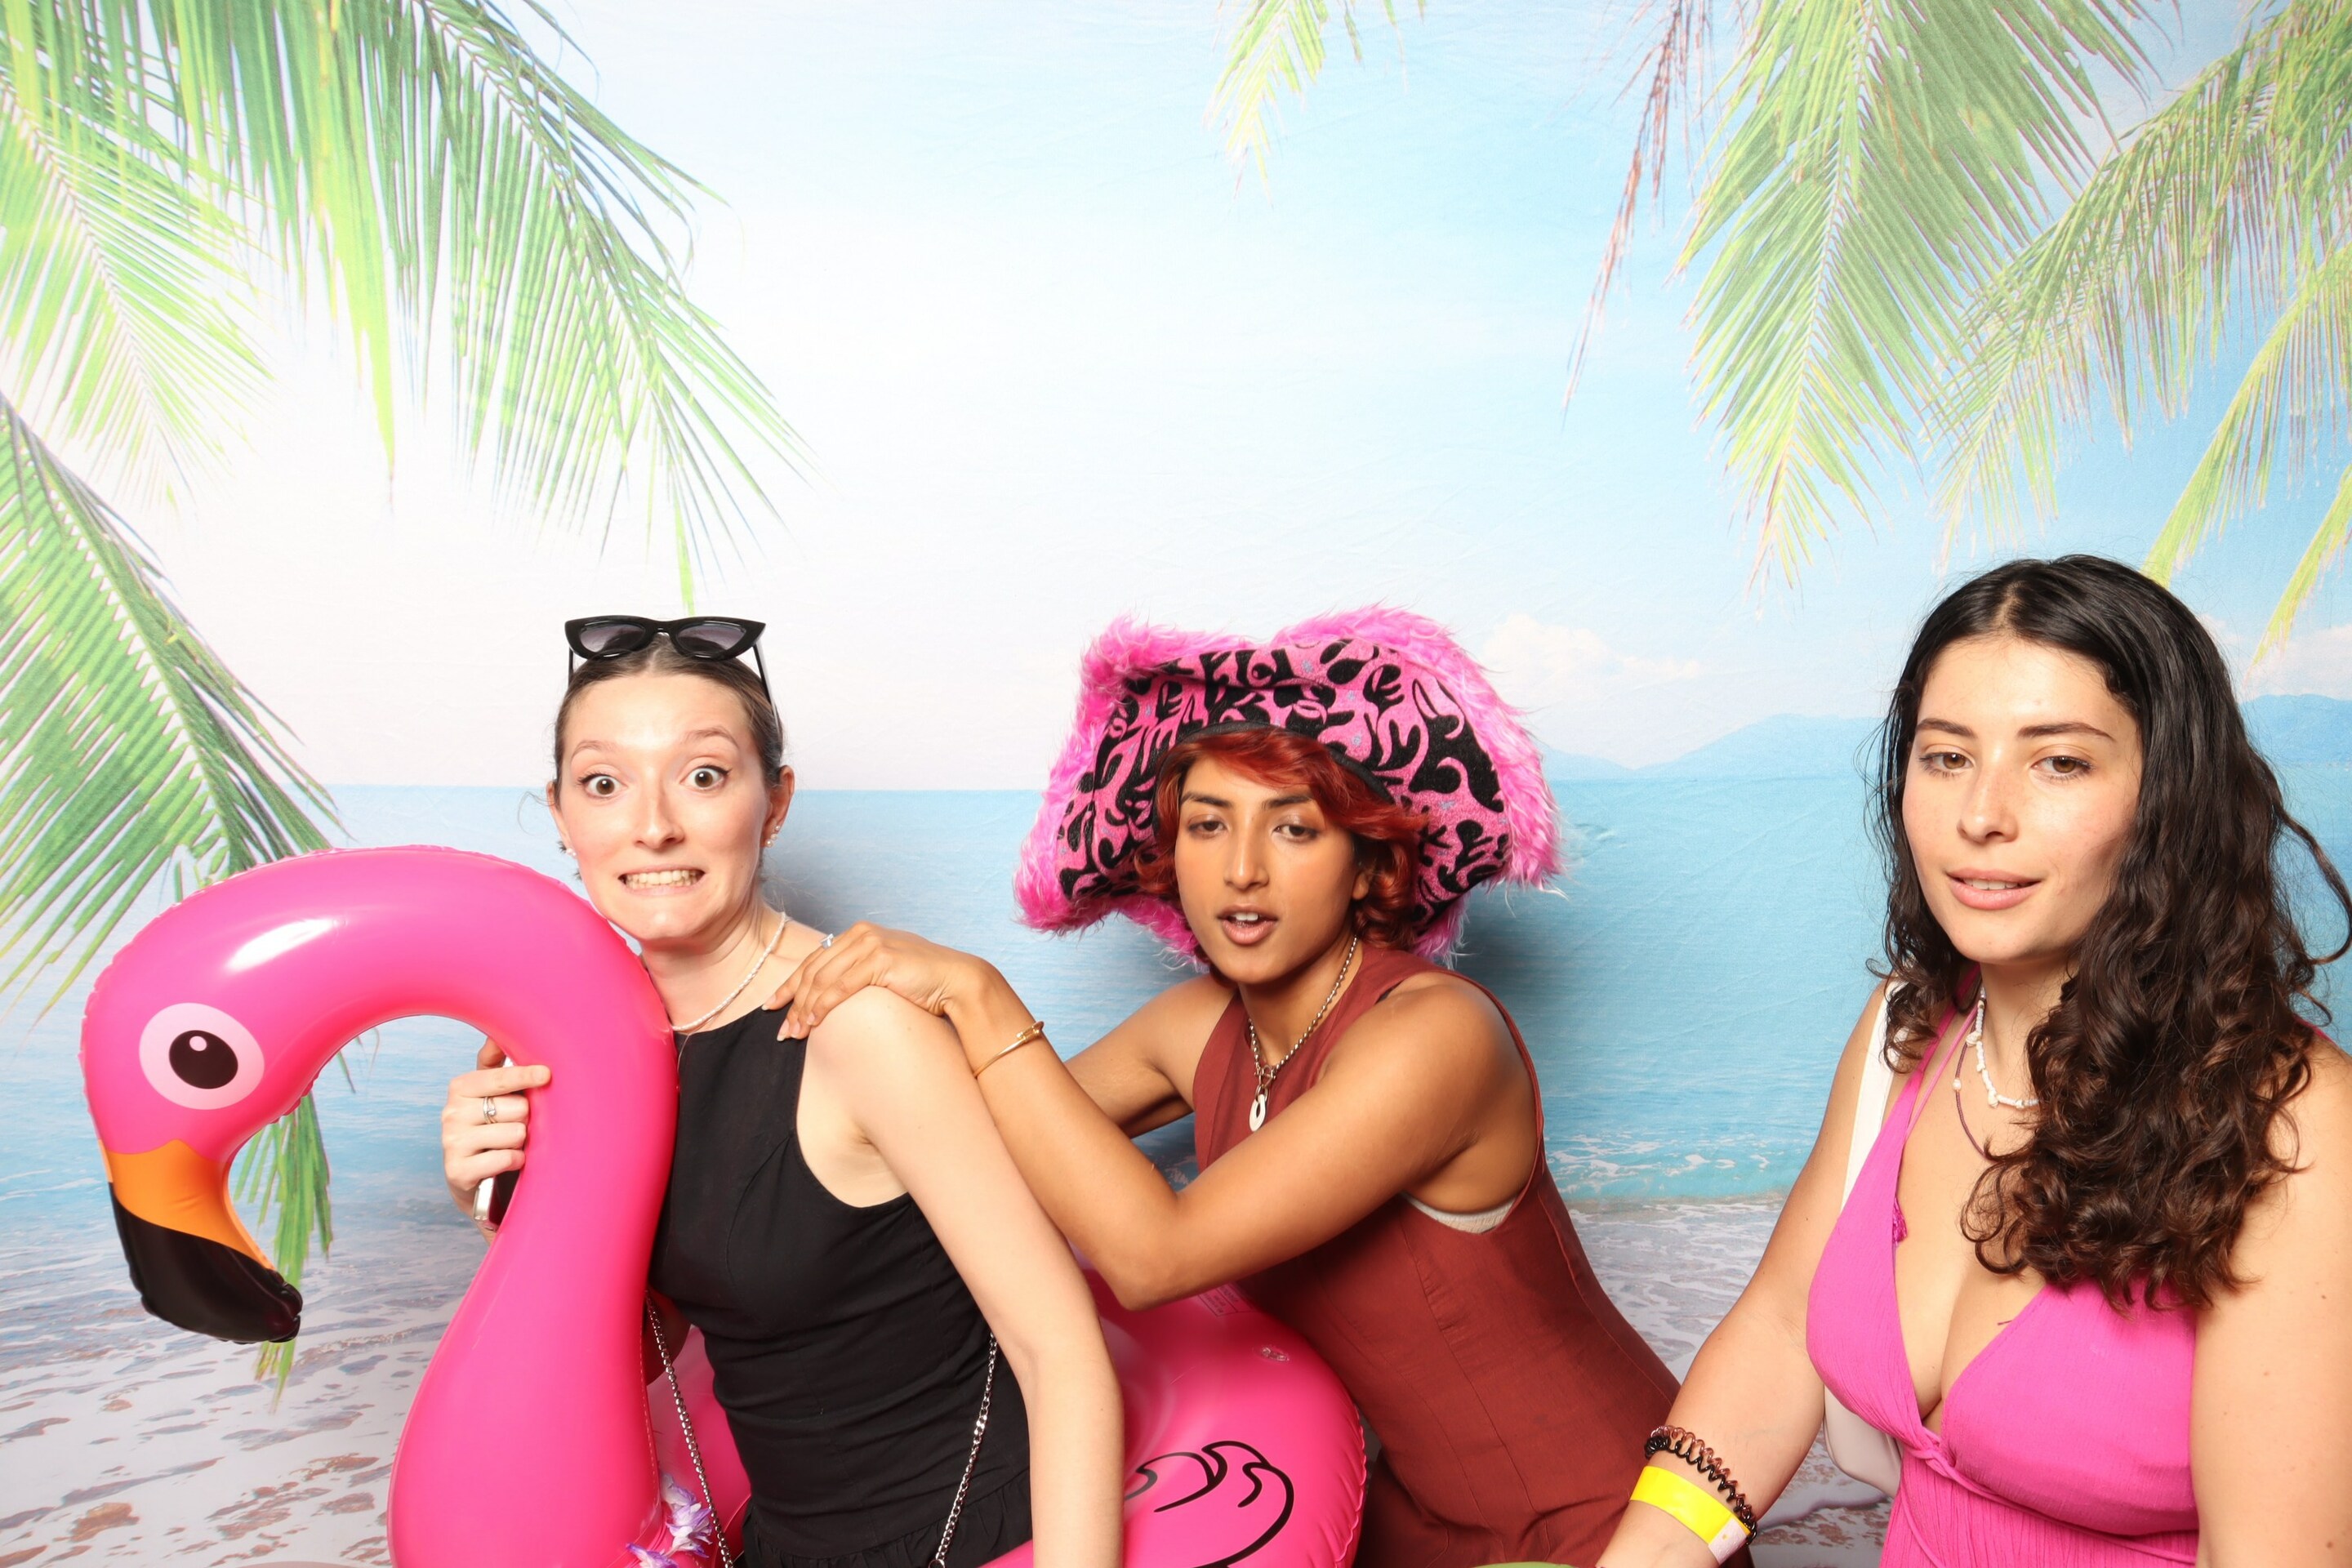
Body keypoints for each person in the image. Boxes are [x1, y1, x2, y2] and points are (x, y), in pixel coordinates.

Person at [764, 609, 1684, 1568]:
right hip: (1410, 1527)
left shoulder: (1434, 1035)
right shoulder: (1199, 1027)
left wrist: (977, 993)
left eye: (1294, 828)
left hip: (1607, 1525)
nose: (1243, 870)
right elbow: (977, 1141)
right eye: (1208, 825)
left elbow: (1153, 1256)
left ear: (1366, 862)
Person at [1587, 557, 2352, 1567]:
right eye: (1946, 756)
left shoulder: (2295, 1126)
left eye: (2060, 763)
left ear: (2172, 799)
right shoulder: (1906, 1032)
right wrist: (1644, 1555)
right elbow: (1777, 1335)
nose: (1981, 815)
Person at [438, 617, 1122, 1568]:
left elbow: (1059, 1350)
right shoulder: (594, 1057)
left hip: (964, 1535)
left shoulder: (858, 1027)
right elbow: (645, 1353)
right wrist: (504, 1212)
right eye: (604, 784)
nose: (652, 825)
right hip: (786, 1543)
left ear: (774, 802)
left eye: (703, 775)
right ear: (560, 815)